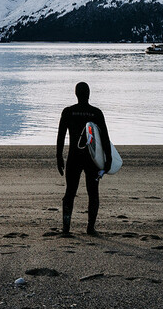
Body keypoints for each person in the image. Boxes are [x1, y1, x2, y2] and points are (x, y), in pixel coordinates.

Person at [56, 82, 111, 236]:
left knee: (70, 192)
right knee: (93, 193)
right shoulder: (96, 113)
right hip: (92, 159)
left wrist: (59, 157)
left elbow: (60, 136)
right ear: (89, 94)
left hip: (74, 157)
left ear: (76, 94)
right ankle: (90, 228)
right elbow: (105, 138)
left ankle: (66, 229)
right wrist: (108, 159)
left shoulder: (68, 112)